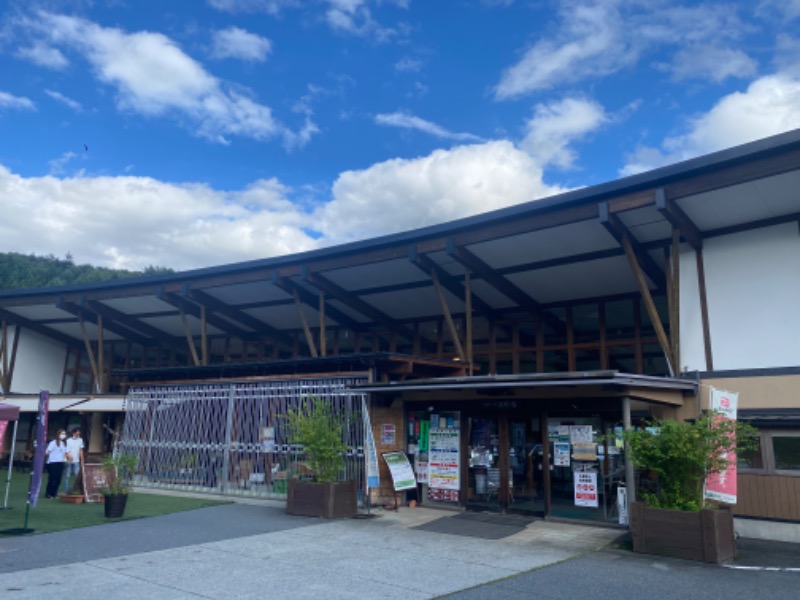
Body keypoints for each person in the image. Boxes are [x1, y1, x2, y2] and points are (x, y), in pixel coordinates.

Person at [45, 429, 68, 499]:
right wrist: (50, 456)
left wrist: (65, 459)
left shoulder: (64, 443)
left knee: (58, 479)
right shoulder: (53, 442)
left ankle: (54, 493)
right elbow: (47, 452)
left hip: (60, 462)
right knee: (52, 478)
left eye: (64, 434)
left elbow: (65, 453)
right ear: (58, 434)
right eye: (62, 433)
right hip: (52, 462)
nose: (63, 435)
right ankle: (48, 493)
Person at [63, 427, 85, 493]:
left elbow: (81, 450)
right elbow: (66, 450)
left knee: (76, 476)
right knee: (67, 476)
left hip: (76, 460)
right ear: (73, 433)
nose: (78, 433)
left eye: (79, 432)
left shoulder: (80, 440)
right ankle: (66, 490)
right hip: (69, 460)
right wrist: (68, 456)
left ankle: (76, 490)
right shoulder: (68, 440)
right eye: (77, 432)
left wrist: (82, 458)